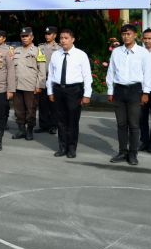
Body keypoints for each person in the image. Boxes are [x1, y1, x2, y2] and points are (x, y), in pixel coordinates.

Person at [105, 24, 150, 166]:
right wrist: (110, 91)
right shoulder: (116, 52)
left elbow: (147, 73)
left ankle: (133, 153)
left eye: (129, 34)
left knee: (134, 124)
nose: (126, 36)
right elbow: (111, 72)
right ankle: (122, 151)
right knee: (121, 123)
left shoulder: (143, 53)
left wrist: (146, 92)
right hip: (119, 90)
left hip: (135, 90)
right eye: (123, 34)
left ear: (135, 35)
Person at [47, 28, 92, 159]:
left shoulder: (80, 55)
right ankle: (62, 147)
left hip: (74, 90)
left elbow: (87, 76)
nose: (63, 40)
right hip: (58, 90)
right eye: (61, 38)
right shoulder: (56, 55)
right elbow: (51, 74)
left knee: (72, 120)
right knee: (60, 120)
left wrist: (87, 94)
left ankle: (71, 148)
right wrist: (50, 91)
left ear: (73, 39)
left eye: (66, 38)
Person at [12, 27, 45, 141]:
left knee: (31, 110)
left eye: (27, 36)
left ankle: (29, 130)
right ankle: (21, 130)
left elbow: (42, 70)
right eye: (23, 36)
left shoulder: (38, 51)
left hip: (31, 86)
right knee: (18, 110)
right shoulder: (16, 51)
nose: (24, 38)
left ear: (32, 37)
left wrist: (39, 85)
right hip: (17, 85)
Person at [35, 26, 60, 134]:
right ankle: (43, 125)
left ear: (55, 35)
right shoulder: (40, 47)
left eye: (49, 34)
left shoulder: (59, 48)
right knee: (42, 103)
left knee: (53, 103)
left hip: (54, 78)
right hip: (42, 77)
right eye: (46, 34)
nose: (47, 36)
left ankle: (54, 125)